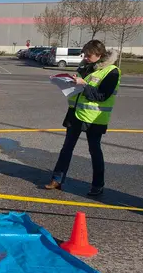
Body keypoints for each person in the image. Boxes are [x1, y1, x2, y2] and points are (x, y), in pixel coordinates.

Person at [45, 40, 120, 196]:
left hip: (94, 119)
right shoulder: (84, 66)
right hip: (75, 114)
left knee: (94, 151)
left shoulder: (112, 71)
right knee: (66, 148)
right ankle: (57, 179)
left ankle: (98, 185)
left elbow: (102, 96)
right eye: (84, 54)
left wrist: (84, 85)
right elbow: (80, 88)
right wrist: (70, 83)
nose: (85, 57)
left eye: (89, 55)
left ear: (99, 55)